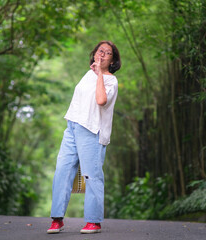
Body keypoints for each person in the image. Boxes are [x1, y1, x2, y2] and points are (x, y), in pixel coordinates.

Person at [47, 40, 121, 234]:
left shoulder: (110, 80)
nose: (102, 54)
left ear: (112, 61)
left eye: (107, 53)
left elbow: (101, 100)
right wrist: (94, 73)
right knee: (62, 171)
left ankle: (93, 221)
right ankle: (57, 219)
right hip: (72, 127)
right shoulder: (87, 74)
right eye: (100, 51)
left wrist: (99, 75)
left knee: (91, 174)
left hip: (91, 130)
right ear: (94, 53)